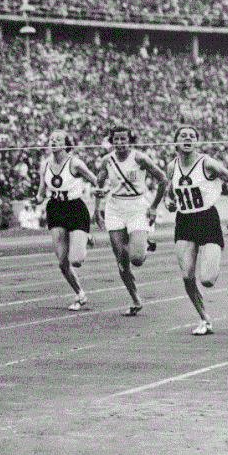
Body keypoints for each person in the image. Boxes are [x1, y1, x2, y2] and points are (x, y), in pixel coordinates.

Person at [165, 125, 228, 336]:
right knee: (187, 276)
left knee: (207, 280)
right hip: (184, 222)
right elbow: (168, 193)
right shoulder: (172, 166)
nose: (187, 138)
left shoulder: (207, 163)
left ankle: (213, 257)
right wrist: (168, 202)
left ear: (197, 141)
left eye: (192, 136)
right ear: (176, 142)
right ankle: (205, 319)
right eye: (183, 135)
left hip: (207, 219)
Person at [93, 126, 168, 317]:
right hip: (115, 207)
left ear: (130, 140)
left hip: (137, 206)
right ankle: (135, 299)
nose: (119, 143)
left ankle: (142, 244)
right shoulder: (106, 160)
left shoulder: (139, 158)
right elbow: (99, 185)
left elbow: (163, 179)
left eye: (123, 139)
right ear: (111, 141)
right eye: (115, 139)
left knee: (137, 259)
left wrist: (154, 206)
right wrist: (97, 208)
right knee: (121, 260)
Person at [30, 129, 100, 311]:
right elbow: (41, 193)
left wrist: (97, 199)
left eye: (58, 139)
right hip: (55, 209)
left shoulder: (75, 163)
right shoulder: (45, 165)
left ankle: (85, 238)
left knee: (76, 260)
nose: (54, 142)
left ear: (66, 143)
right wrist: (36, 200)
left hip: (75, 208)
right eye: (52, 139)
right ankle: (80, 294)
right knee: (62, 262)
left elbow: (96, 181)